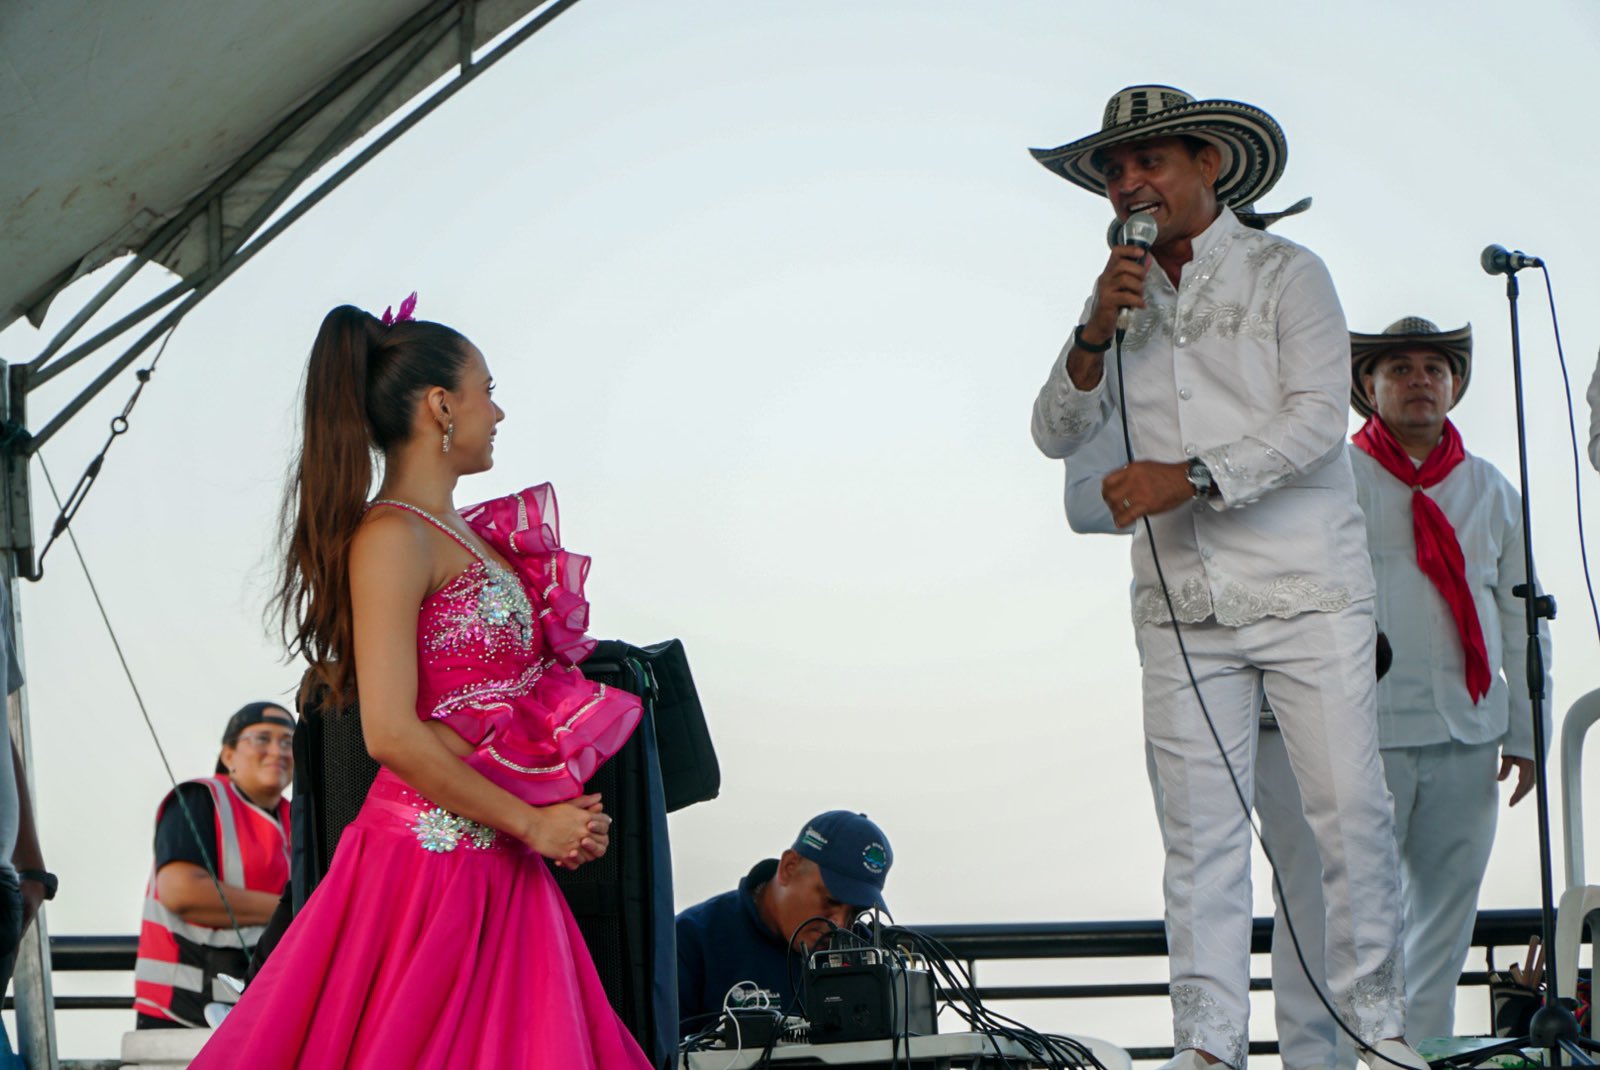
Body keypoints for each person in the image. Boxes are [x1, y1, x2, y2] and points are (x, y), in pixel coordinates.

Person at [1029, 85, 1420, 1070]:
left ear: (1209, 164)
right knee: (1197, 839)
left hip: (1305, 596)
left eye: (1147, 159)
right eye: (1112, 170)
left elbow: (1312, 420)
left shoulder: (1291, 274)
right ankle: (1208, 1048)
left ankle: (1378, 1032)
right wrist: (1088, 332)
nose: (1127, 181)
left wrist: (1188, 476)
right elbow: (1053, 432)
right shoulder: (1115, 299)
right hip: (1180, 609)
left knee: (1346, 815)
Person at [189, 295, 651, 1068]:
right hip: (424, 873)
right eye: (487, 389)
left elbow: (497, 711)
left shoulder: (464, 535)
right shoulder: (390, 536)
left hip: (498, 865)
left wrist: (549, 811)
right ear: (442, 405)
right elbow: (390, 731)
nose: (497, 411)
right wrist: (533, 823)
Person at [1260, 317, 1552, 1064]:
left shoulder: (1489, 485)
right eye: (1400, 369)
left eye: (1434, 368)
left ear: (1454, 386)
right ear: (1368, 387)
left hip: (1467, 732)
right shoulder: (1334, 475)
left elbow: (1521, 613)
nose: (1420, 380)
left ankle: (1415, 1056)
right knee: (1349, 917)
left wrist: (1525, 733)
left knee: (1444, 924)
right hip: (1365, 732)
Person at [134, 702, 294, 1028]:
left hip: (262, 1007)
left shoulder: (299, 819)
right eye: (262, 738)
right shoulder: (199, 798)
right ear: (228, 755)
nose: (278, 750)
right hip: (182, 1011)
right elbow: (183, 893)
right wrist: (297, 909)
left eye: (289, 742)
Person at [676, 810, 893, 1035]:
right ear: (788, 867)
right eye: (831, 900)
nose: (839, 924)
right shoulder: (692, 939)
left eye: (855, 912)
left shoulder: (870, 957)